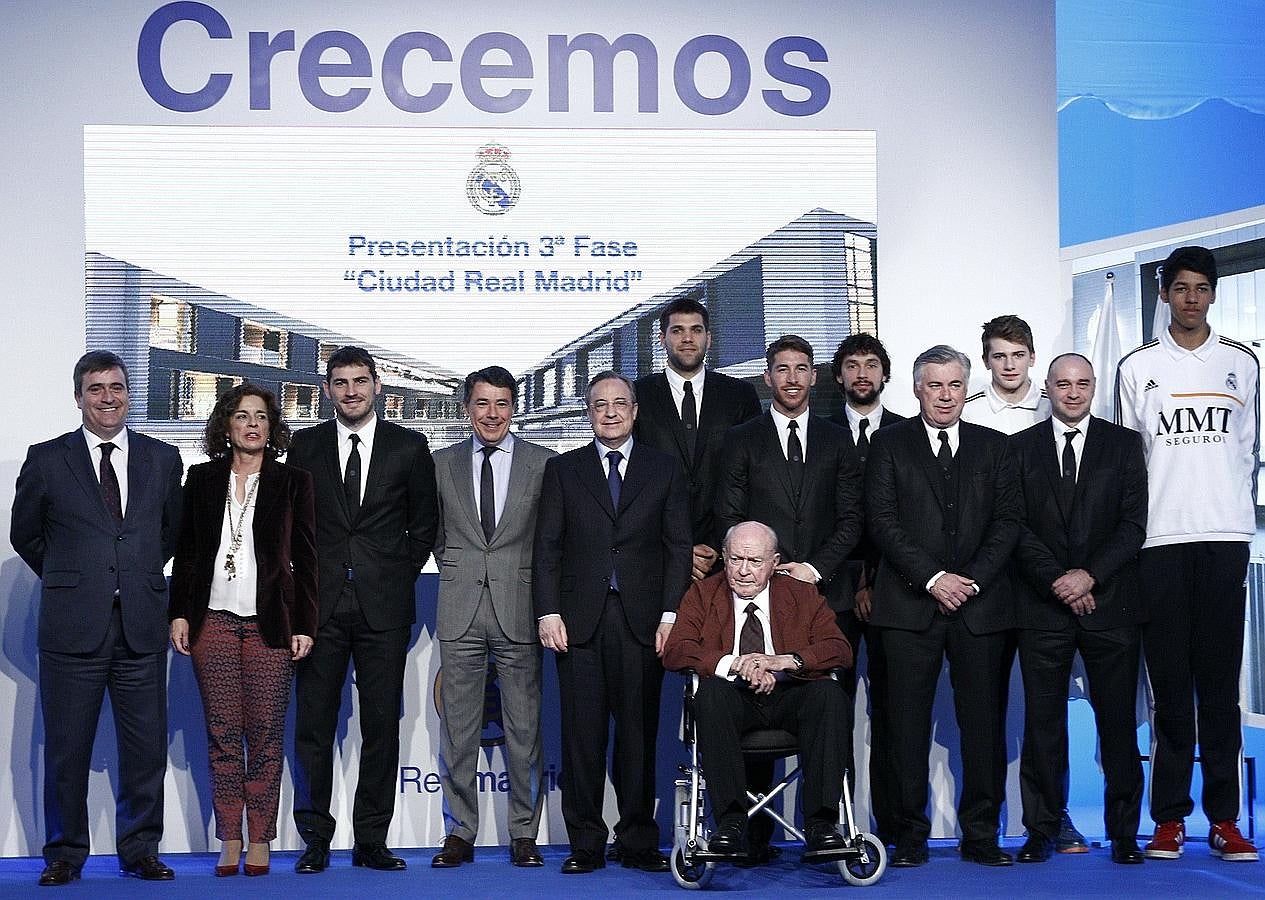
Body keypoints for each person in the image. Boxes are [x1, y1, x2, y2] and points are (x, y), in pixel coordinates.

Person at [11, 350, 183, 885]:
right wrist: (72, 577)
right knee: (66, 749)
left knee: (145, 748)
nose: (108, 398)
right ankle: (63, 853)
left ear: (129, 393)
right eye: (96, 388)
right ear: (79, 396)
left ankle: (141, 849)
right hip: (72, 627)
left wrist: (131, 575)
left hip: (141, 624)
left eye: (117, 387)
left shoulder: (162, 458)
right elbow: (26, 535)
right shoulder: (46, 458)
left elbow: (170, 533)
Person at [1115, 245, 1260, 863]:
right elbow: (1128, 462)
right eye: (1181, 288)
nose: (1191, 298)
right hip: (1160, 544)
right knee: (1170, 691)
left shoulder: (1243, 363)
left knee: (1220, 690)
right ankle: (1169, 819)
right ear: (1164, 294)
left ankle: (1224, 820)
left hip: (1225, 541)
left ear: (1213, 294)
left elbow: (1247, 453)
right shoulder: (1136, 368)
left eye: (1202, 288)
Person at [866, 345, 1022, 868]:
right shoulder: (888, 445)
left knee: (983, 728)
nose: (946, 396)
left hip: (981, 611)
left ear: (966, 388)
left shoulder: (995, 448)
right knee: (904, 728)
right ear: (916, 389)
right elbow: (882, 521)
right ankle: (908, 835)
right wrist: (934, 579)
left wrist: (969, 581)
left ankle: (981, 834)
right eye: (935, 385)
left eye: (955, 385)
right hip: (908, 608)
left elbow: (1007, 524)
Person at [533, 371, 692, 874]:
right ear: (587, 411)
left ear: (635, 410)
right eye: (599, 403)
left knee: (639, 737)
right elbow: (547, 548)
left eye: (619, 402)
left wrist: (671, 613)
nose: (610, 411)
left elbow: (678, 547)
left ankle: (639, 839)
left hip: (644, 623)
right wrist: (547, 610)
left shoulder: (664, 469)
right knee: (581, 737)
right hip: (578, 624)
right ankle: (585, 842)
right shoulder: (564, 470)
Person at [288, 346, 439, 873]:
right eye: (340, 382)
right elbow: (292, 527)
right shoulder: (303, 446)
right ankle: (315, 838)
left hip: (384, 606)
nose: (350, 391)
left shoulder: (409, 445)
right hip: (319, 608)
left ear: (377, 386)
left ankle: (371, 839)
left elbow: (424, 524)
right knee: (312, 726)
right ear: (327, 389)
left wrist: (396, 571)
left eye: (359, 381)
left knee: (381, 726)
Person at [169, 384, 318, 877]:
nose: (252, 425)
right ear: (226, 425)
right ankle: (229, 835)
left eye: (260, 417)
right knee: (223, 735)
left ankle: (262, 837)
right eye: (241, 416)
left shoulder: (292, 481)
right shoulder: (203, 478)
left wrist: (305, 624)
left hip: (270, 626)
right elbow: (188, 553)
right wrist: (180, 613)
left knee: (267, 735)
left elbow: (308, 559)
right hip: (212, 622)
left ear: (272, 427)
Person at [1010, 355, 1147, 865]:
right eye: (1063, 384)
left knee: (1117, 726)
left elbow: (1134, 525)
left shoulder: (1124, 444)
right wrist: (1059, 581)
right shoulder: (1018, 449)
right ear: (1046, 388)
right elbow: (1015, 525)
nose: (1073, 392)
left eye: (1083, 383)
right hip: (1042, 609)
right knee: (1043, 727)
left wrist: (1089, 576)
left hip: (1110, 606)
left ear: (1095, 388)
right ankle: (1042, 830)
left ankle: (1125, 833)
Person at [961, 315, 1084, 853]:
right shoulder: (966, 415)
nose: (1009, 366)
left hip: (1043, 584)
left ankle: (1053, 818)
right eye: (998, 357)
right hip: (986, 584)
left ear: (1033, 358)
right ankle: (983, 827)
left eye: (1018, 355)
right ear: (986, 361)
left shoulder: (1057, 407)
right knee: (983, 717)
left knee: (1046, 714)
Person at [661, 521, 852, 855]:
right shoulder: (703, 594)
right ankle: (731, 822)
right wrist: (735, 664)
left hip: (790, 696)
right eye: (735, 560)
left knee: (830, 694)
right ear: (723, 557)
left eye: (755, 562)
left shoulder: (801, 594)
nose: (744, 571)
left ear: (774, 563)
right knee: (711, 694)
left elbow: (839, 649)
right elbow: (677, 648)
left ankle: (822, 825)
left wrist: (781, 661)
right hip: (733, 700)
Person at [429, 366, 555, 869]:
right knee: (459, 730)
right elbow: (433, 533)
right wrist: (459, 569)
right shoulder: (440, 464)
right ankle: (460, 831)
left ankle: (524, 833)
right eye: (482, 403)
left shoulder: (544, 464)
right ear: (467, 408)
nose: (492, 414)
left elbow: (549, 539)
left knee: (524, 727)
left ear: (514, 408)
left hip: (520, 608)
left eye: (502, 403)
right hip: (460, 608)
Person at [829, 332, 904, 845]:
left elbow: (903, 520)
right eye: (852, 365)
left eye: (871, 364)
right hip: (827, 594)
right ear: (837, 376)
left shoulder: (907, 433)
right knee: (828, 715)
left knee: (894, 715)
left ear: (885, 375)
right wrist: (851, 577)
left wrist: (874, 578)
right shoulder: (818, 431)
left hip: (893, 592)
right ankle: (833, 824)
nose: (861, 373)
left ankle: (894, 827)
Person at [633, 295, 761, 583]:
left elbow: (751, 479)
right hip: (655, 557)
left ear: (709, 338)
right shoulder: (636, 396)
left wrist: (721, 544)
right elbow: (633, 483)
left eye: (696, 330)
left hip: (727, 558)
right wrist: (677, 549)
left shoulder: (740, 396)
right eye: (677, 330)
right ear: (661, 339)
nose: (687, 338)